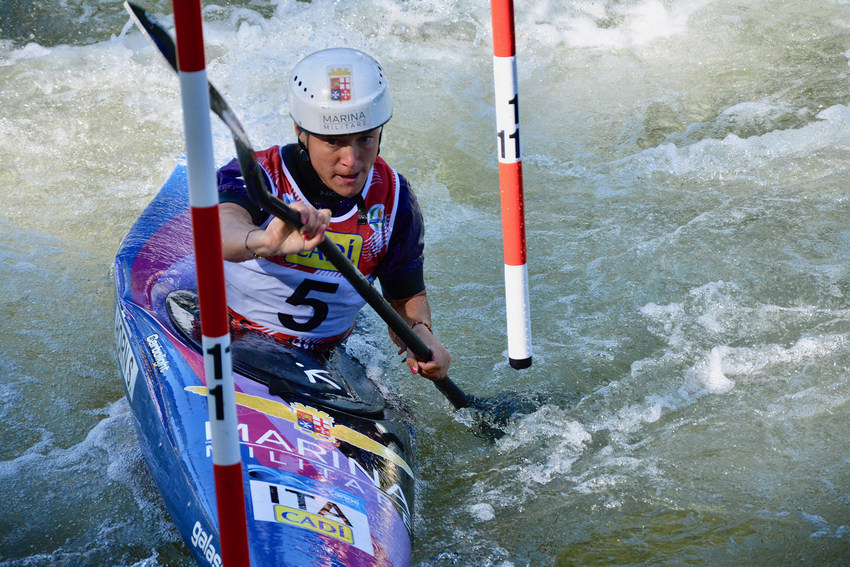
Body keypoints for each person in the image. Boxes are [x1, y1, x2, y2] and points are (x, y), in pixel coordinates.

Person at [216, 47, 450, 381]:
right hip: (232, 333)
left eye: (365, 139)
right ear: (301, 131)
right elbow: (218, 232)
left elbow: (406, 297)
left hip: (325, 356)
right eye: (333, 142)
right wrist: (267, 242)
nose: (352, 160)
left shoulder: (394, 200)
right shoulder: (259, 176)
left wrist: (421, 332)